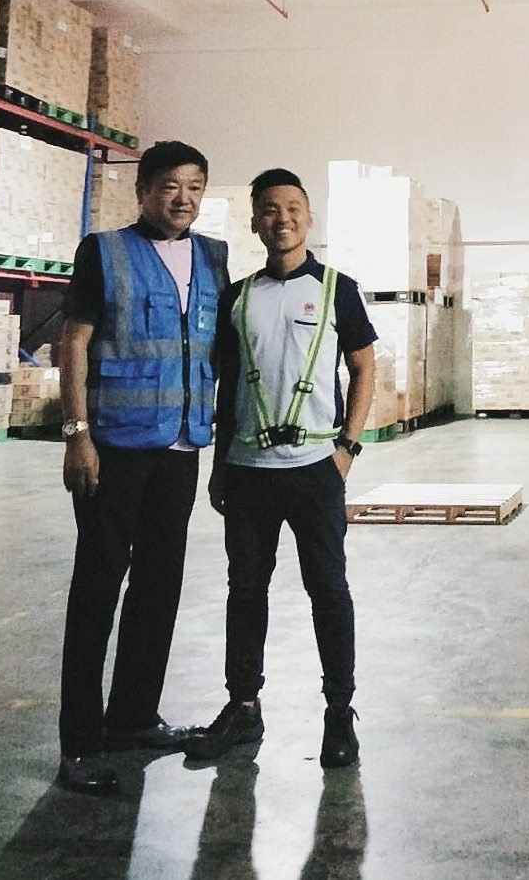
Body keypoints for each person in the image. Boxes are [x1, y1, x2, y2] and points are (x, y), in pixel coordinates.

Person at [185, 168, 377, 769]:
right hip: (247, 470)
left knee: (328, 589)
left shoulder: (338, 289)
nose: (281, 218)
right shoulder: (236, 297)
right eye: (269, 209)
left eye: (292, 207)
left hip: (316, 466)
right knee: (245, 590)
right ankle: (243, 706)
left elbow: (365, 368)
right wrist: (220, 463)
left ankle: (338, 711)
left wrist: (348, 448)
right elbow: (224, 385)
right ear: (255, 221)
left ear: (308, 216)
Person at [57, 140, 228, 796]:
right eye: (168, 186)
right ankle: (79, 744)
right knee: (96, 592)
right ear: (144, 191)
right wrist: (77, 436)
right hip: (114, 450)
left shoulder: (214, 257)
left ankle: (131, 718)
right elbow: (71, 341)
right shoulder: (104, 252)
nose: (181, 198)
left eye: (194, 186)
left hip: (181, 448)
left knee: (160, 586)